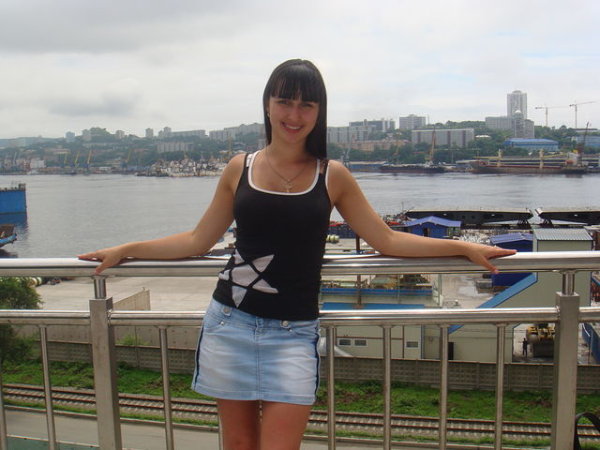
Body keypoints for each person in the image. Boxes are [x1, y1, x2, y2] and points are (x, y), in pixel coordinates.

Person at [79, 59, 516, 450]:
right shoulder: (239, 167)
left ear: (319, 112)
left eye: (306, 105)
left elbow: (388, 241)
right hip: (229, 323)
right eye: (284, 102)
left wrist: (461, 246)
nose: (294, 115)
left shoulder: (332, 175)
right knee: (239, 444)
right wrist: (127, 250)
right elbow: (198, 240)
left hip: (292, 334)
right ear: (268, 105)